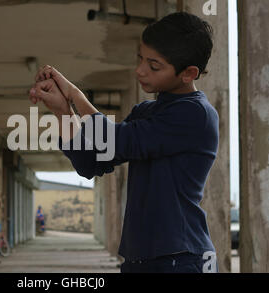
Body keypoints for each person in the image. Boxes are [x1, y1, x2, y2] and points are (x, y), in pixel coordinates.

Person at [29, 12, 219, 273]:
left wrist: (75, 95)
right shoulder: (146, 112)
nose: (140, 70)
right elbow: (90, 162)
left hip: (181, 257)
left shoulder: (195, 114)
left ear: (188, 73)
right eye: (140, 58)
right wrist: (64, 112)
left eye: (154, 66)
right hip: (140, 258)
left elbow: (116, 140)